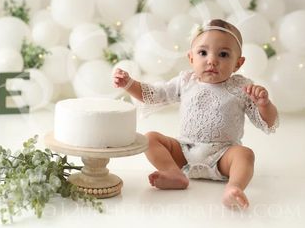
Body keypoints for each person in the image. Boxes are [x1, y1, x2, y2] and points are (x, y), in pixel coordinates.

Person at [113, 19, 278, 209]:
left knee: (245, 155)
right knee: (149, 138)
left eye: (223, 54)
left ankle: (234, 188)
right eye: (203, 53)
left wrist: (264, 105)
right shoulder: (186, 81)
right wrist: (129, 84)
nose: (212, 60)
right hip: (184, 151)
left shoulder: (241, 87)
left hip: (223, 156)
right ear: (191, 58)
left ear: (238, 64)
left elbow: (267, 123)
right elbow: (154, 95)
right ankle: (173, 173)